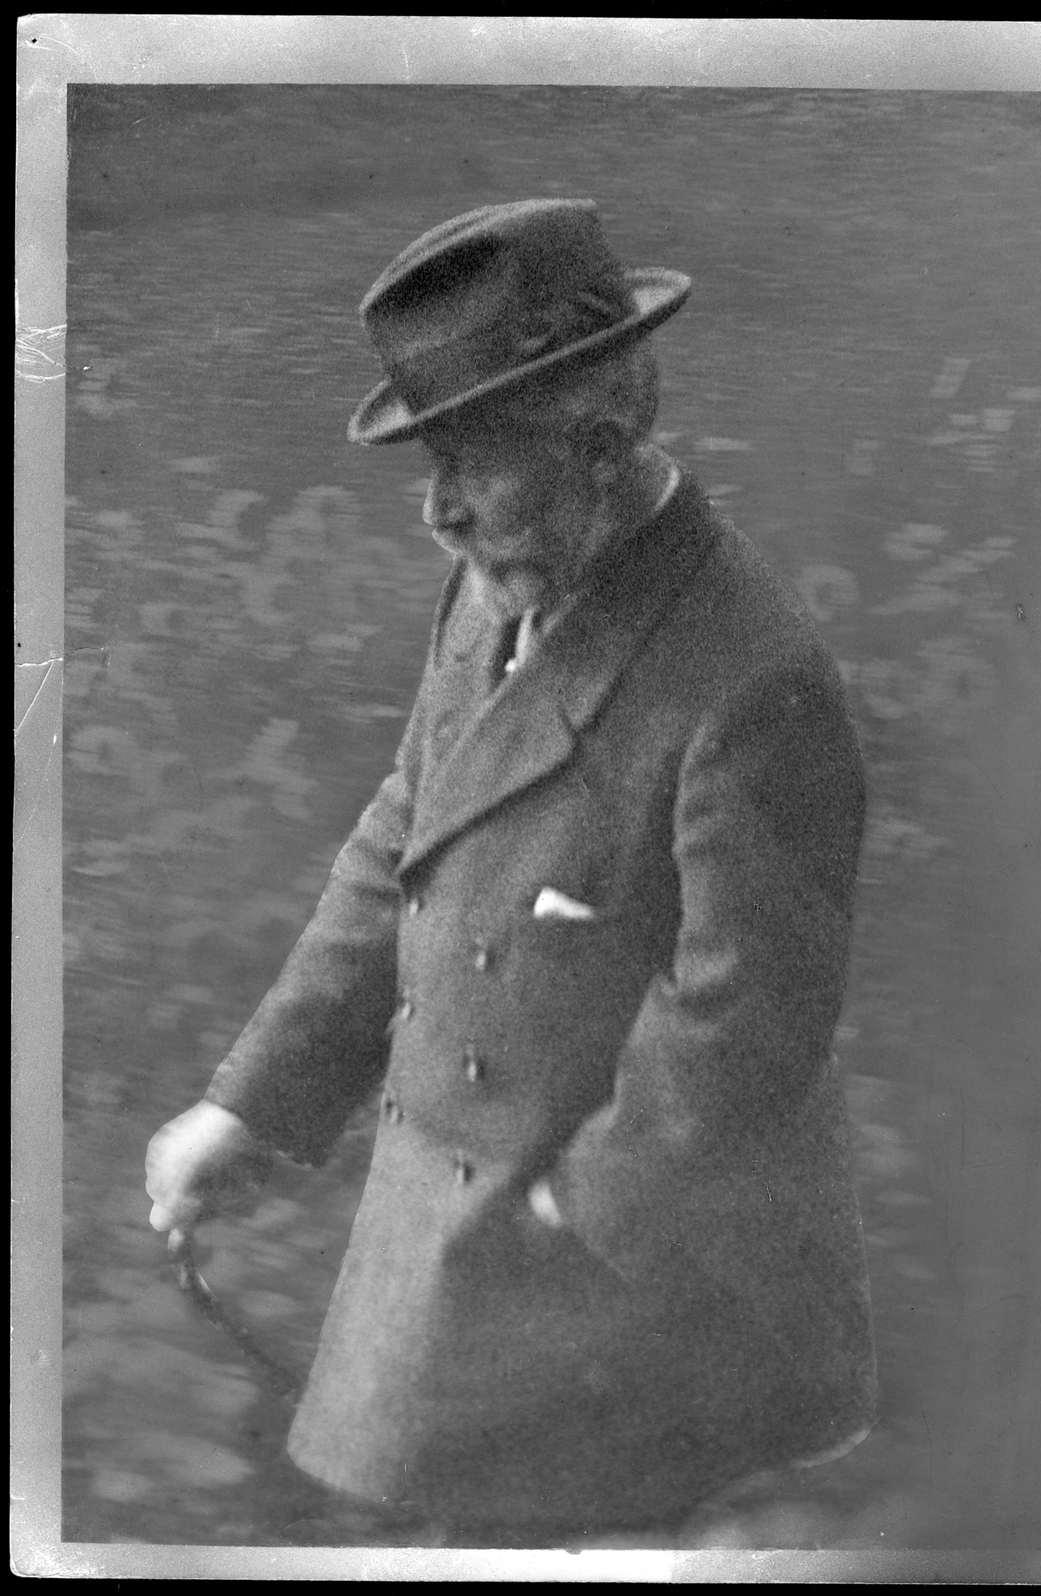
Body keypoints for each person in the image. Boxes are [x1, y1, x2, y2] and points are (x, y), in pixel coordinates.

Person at [145, 198, 877, 1543]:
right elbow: (406, 848)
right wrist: (250, 1105)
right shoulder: (499, 588)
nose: (439, 512)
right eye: (431, 460)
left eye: (472, 462)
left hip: (635, 1282)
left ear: (599, 447)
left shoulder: (751, 679)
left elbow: (746, 1025)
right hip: (460, 1233)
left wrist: (568, 1207)